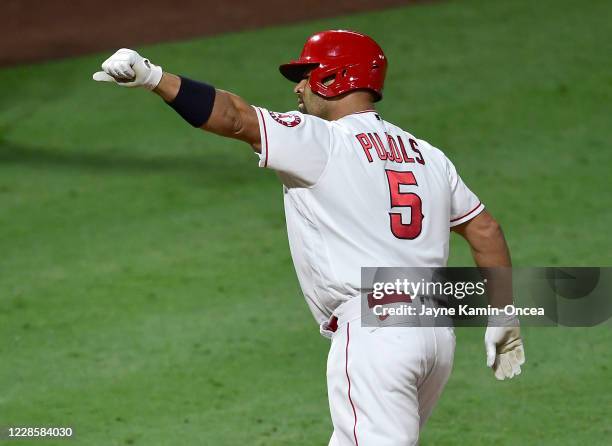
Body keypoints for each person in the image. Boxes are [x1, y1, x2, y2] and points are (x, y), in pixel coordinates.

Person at [93, 30, 525, 446]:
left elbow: (233, 116)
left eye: (306, 74)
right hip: (435, 334)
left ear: (333, 78)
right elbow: (484, 229)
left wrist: (153, 78)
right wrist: (503, 313)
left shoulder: (323, 140)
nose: (298, 87)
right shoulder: (428, 156)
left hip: (377, 332)